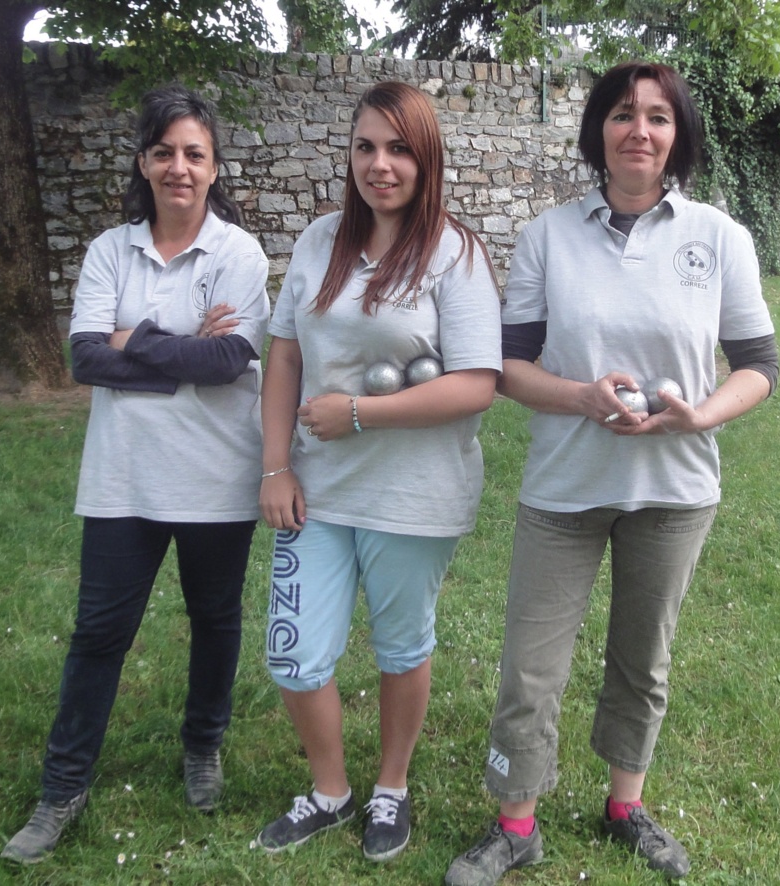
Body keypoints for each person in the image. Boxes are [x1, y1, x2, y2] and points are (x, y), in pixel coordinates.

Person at [445, 61, 779, 884]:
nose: (640, 130)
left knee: (643, 659)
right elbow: (506, 367)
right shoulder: (547, 236)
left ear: (678, 136)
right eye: (624, 114)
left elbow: (758, 364)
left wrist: (700, 413)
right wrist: (580, 397)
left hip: (673, 489)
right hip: (563, 487)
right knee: (530, 665)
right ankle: (515, 822)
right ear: (599, 128)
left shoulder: (719, 238)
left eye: (658, 117)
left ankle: (624, 805)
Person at [1, 84, 271, 864]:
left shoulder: (238, 254)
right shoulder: (108, 251)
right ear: (143, 162)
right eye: (164, 153)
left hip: (217, 478)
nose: (178, 168)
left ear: (214, 167)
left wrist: (136, 340)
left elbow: (228, 362)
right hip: (123, 480)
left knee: (214, 622)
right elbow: (84, 357)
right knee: (98, 634)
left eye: (194, 154)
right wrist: (175, 344)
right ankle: (62, 787)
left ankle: (202, 746)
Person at [253, 80, 502, 863]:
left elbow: (475, 383)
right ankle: (330, 791)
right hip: (316, 490)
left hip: (415, 494)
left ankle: (390, 786)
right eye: (365, 146)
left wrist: (359, 414)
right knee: (293, 652)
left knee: (401, 647)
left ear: (425, 158)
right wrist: (273, 466)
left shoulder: (452, 253)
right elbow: (285, 352)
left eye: (398, 148)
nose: (379, 164)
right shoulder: (319, 240)